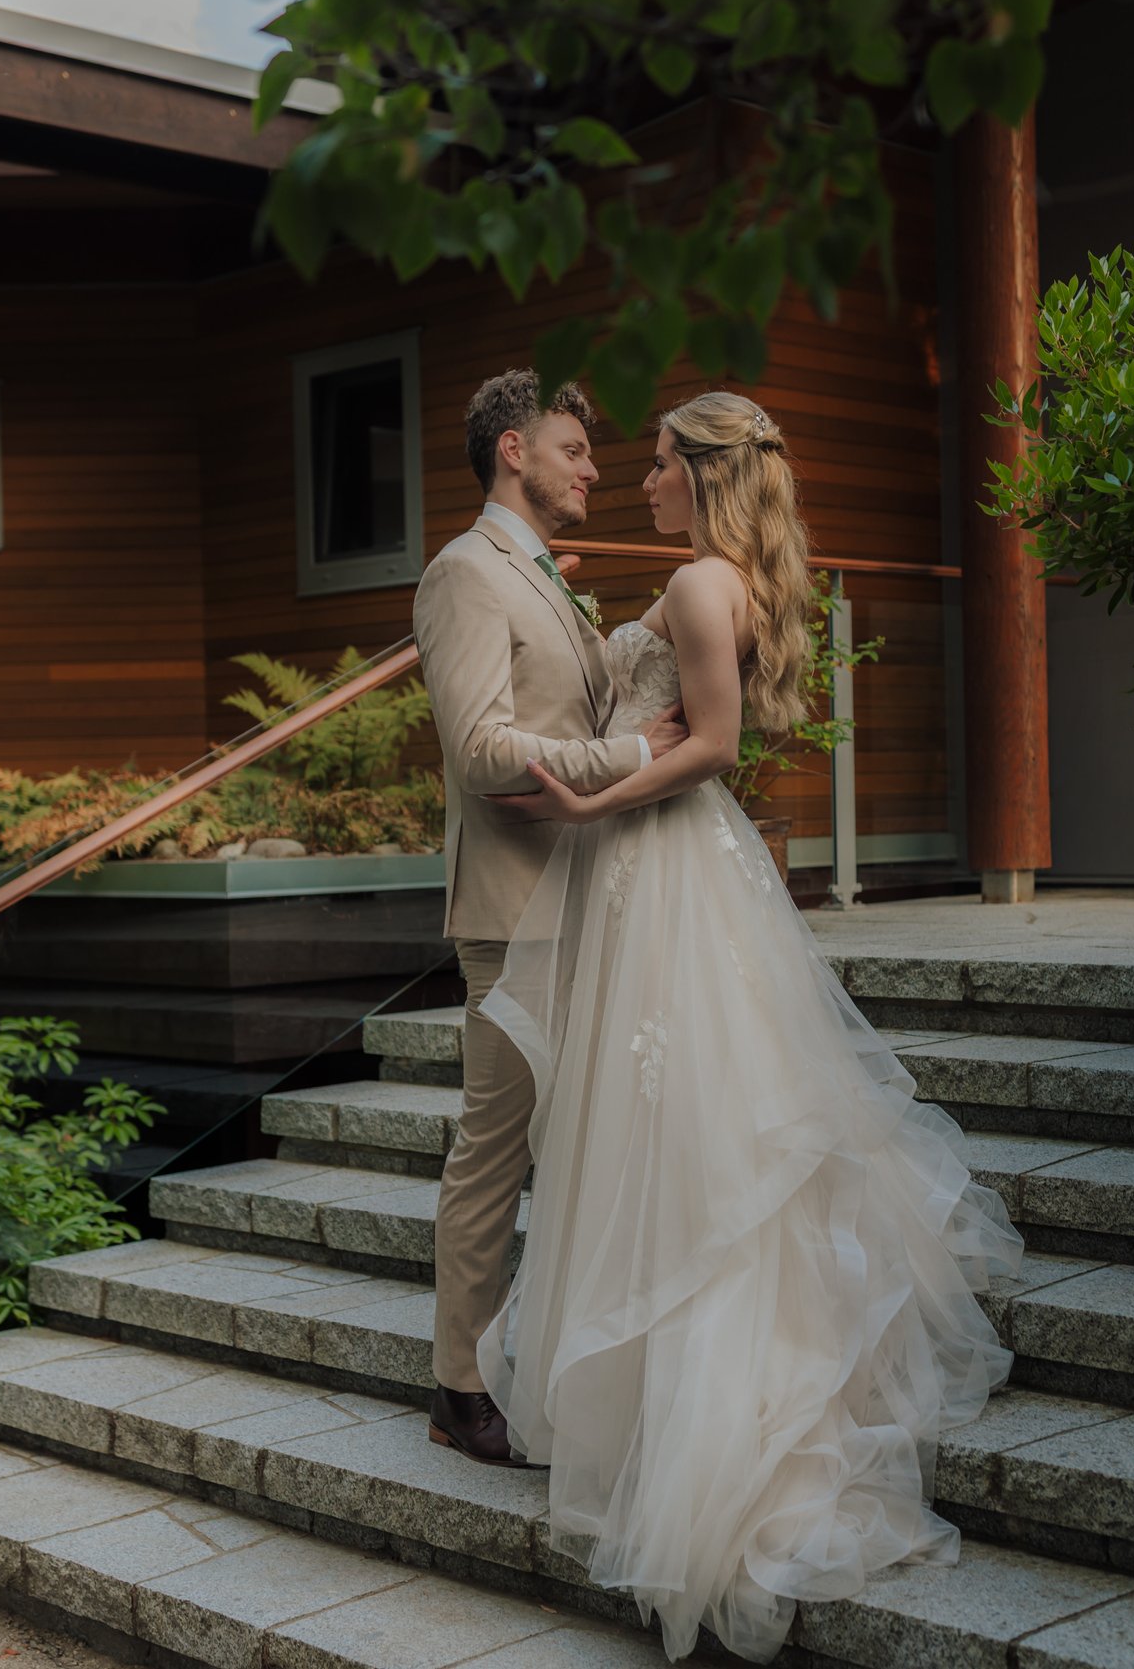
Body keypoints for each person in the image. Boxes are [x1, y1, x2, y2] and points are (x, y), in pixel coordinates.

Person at [472, 389, 1026, 1663]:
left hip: (661, 861)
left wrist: (584, 799)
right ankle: (660, 1403)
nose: (640, 476)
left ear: (703, 472)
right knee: (650, 1126)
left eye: (658, 460)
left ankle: (717, 1436)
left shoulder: (700, 580)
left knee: (696, 1134)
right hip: (651, 869)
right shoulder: (710, 579)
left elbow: (712, 744)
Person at [409, 369, 689, 1467]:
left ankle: (565, 1358)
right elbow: (481, 751)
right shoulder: (462, 575)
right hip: (516, 908)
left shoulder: (537, 575)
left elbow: (560, 697)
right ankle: (458, 1383)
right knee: (497, 1147)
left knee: (584, 1144)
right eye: (574, 448)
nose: (594, 468)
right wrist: (633, 753)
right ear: (513, 450)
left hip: (592, 897)